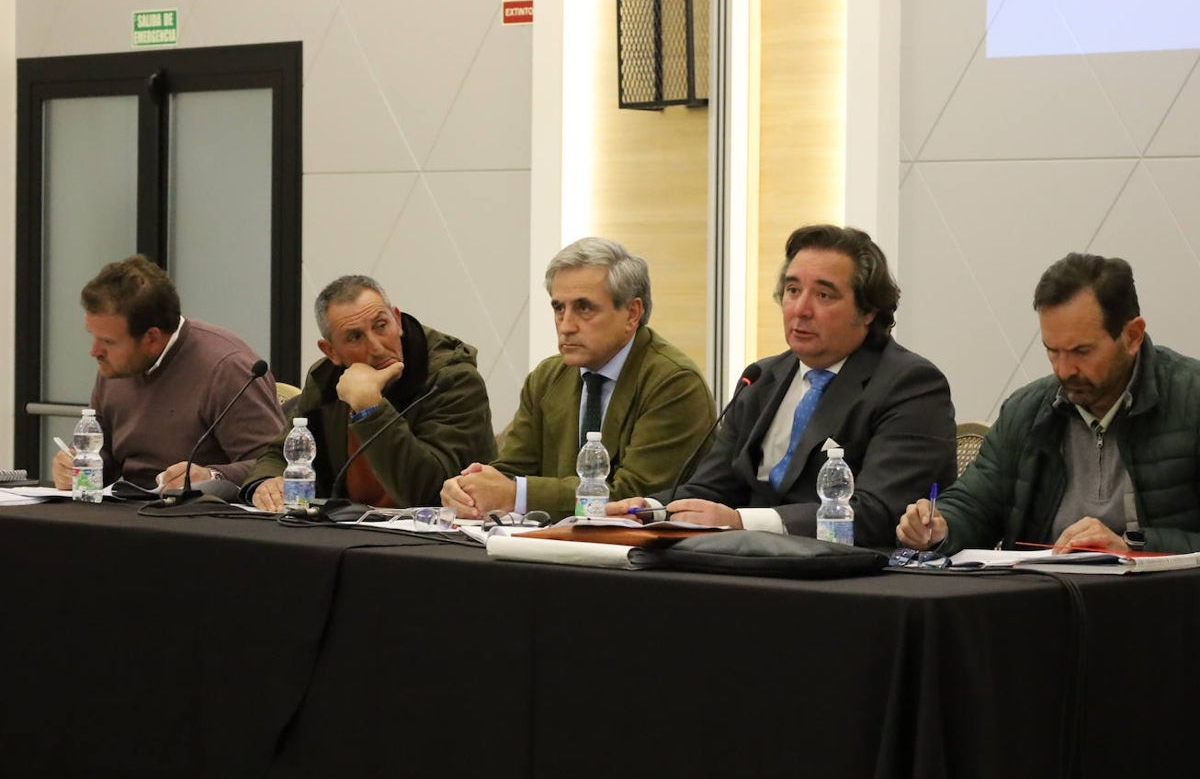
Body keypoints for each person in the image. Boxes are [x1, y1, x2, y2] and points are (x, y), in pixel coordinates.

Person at [608, 224, 958, 546]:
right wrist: (650, 509)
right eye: (792, 290)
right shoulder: (762, 378)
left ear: (868, 311)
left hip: (846, 578)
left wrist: (740, 521)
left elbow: (879, 513)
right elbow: (713, 487)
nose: (800, 309)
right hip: (745, 561)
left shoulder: (910, 385)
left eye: (823, 295)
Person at [897, 252, 1200, 555]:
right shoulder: (1027, 411)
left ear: (1132, 336)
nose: (1064, 370)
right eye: (1052, 351)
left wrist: (1132, 546)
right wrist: (939, 526)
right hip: (1046, 595)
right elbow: (975, 503)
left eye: (1082, 351)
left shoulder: (1190, 398)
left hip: (1161, 597)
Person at [439, 237, 715, 520]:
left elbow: (633, 496)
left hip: (646, 554)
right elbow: (511, 470)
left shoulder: (674, 383)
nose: (566, 326)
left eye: (584, 308)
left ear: (632, 313)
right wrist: (468, 488)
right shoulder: (547, 378)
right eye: (559, 308)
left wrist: (516, 494)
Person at [244, 275, 496, 510]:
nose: (376, 347)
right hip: (349, 529)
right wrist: (267, 482)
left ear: (397, 320)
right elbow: (281, 453)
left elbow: (427, 492)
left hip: (435, 539)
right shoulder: (326, 380)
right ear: (331, 351)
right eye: (355, 337)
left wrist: (370, 408)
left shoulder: (450, 378)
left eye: (381, 325)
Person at [51, 254, 284, 491]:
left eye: (108, 342)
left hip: (200, 514)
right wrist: (74, 466)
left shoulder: (227, 369)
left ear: (151, 338)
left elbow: (274, 465)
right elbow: (104, 453)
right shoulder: (115, 367)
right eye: (93, 337)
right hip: (129, 507)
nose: (94, 351)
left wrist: (213, 476)